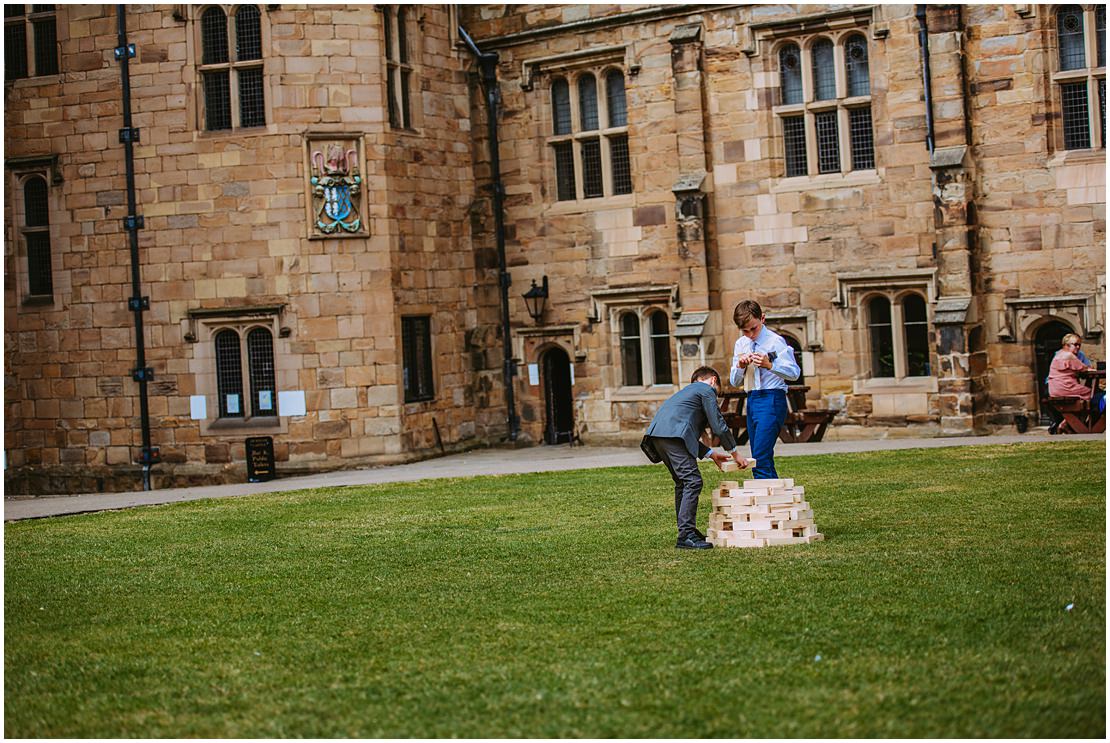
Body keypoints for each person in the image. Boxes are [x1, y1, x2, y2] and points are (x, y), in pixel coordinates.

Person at [641, 366, 749, 550]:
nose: (715, 396)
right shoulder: (706, 389)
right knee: (692, 481)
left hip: (657, 437)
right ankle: (685, 536)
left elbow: (682, 429)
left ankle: (687, 531)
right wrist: (735, 453)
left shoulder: (685, 393)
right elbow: (718, 425)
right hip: (672, 437)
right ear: (713, 380)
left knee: (683, 483)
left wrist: (711, 454)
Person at [729, 300, 801, 479]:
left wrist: (771, 365)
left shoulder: (776, 341)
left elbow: (794, 373)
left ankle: (764, 500)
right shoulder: (741, 344)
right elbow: (734, 381)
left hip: (772, 398)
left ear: (762, 318)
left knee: (759, 458)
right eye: (745, 331)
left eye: (753, 328)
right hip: (752, 398)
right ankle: (775, 501)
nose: (750, 335)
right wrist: (740, 366)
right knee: (762, 457)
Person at [1047, 334, 1104, 425]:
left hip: (1056, 389)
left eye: (1079, 345)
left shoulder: (1059, 354)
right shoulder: (1069, 355)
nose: (1078, 347)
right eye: (1075, 344)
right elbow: (1085, 368)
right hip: (1066, 387)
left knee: (1095, 394)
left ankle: (1069, 423)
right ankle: (1091, 423)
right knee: (1097, 395)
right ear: (1066, 345)